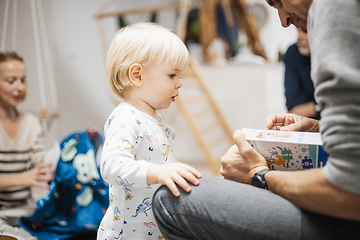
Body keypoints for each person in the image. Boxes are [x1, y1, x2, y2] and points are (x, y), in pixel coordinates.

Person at [152, 0, 360, 239]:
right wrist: (321, 129)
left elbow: (348, 189)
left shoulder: (334, 7)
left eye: (280, 2)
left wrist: (259, 176)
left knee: (171, 200)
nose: (284, 20)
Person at [97, 22, 201, 240]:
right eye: (172, 75)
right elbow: (111, 166)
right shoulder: (126, 118)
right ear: (137, 75)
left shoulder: (158, 121)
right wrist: (157, 172)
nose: (179, 83)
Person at [0, 51, 54, 239]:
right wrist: (23, 178)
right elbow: (28, 176)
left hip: (25, 210)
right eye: (11, 80)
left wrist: (74, 148)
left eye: (22, 80)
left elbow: (41, 160)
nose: (19, 87)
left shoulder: (31, 122)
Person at [283, 28, 320, 119]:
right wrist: (322, 106)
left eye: (305, 31)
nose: (299, 37)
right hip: (307, 125)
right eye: (297, 31)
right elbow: (294, 111)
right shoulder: (293, 53)